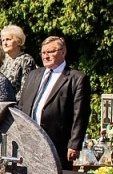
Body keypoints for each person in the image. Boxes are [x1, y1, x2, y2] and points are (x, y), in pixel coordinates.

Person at [18, 35, 90, 163]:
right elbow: (22, 105)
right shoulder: (33, 75)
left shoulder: (76, 79)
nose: (46, 56)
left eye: (50, 52)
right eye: (43, 53)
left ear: (63, 52)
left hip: (58, 144)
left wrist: (74, 144)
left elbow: (80, 114)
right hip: (29, 141)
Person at [0, 25, 37, 92]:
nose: (5, 43)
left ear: (18, 41)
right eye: (3, 40)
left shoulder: (26, 60)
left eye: (8, 39)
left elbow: (26, 88)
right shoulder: (2, 60)